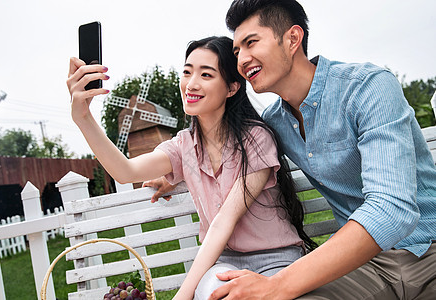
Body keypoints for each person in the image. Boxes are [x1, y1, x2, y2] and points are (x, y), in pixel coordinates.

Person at [205, 1, 436, 299]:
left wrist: (278, 285)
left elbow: (392, 208)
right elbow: (232, 150)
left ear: (292, 39)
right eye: (237, 51)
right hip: (367, 266)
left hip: (429, 250)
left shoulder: (367, 87)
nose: (242, 60)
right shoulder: (274, 122)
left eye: (251, 43)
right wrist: (172, 170)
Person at [67, 35, 317, 300]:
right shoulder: (183, 146)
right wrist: (83, 118)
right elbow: (125, 171)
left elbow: (223, 222)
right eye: (187, 72)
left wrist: (180, 297)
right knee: (212, 292)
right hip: (224, 263)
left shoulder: (256, 139)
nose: (191, 84)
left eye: (206, 75)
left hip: (275, 262)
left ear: (232, 88)